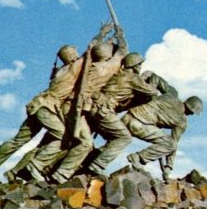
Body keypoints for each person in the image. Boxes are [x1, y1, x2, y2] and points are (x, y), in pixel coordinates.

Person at [0, 22, 114, 182]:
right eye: (75, 53)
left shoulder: (60, 71)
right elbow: (90, 49)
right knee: (62, 137)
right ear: (71, 56)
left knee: (19, 140)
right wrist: (103, 33)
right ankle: (35, 167)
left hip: (37, 105)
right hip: (47, 108)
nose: (77, 55)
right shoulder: (73, 68)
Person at [51, 52, 168, 181]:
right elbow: (153, 92)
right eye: (139, 64)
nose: (140, 67)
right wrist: (149, 79)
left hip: (93, 107)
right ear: (134, 65)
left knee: (99, 140)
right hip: (104, 110)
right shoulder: (133, 78)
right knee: (124, 137)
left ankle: (64, 172)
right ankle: (96, 166)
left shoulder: (118, 75)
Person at [124, 94, 203, 181]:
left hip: (127, 117)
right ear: (190, 110)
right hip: (139, 125)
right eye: (192, 112)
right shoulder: (182, 121)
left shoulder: (170, 97)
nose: (191, 114)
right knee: (170, 144)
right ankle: (138, 157)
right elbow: (174, 143)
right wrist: (169, 167)